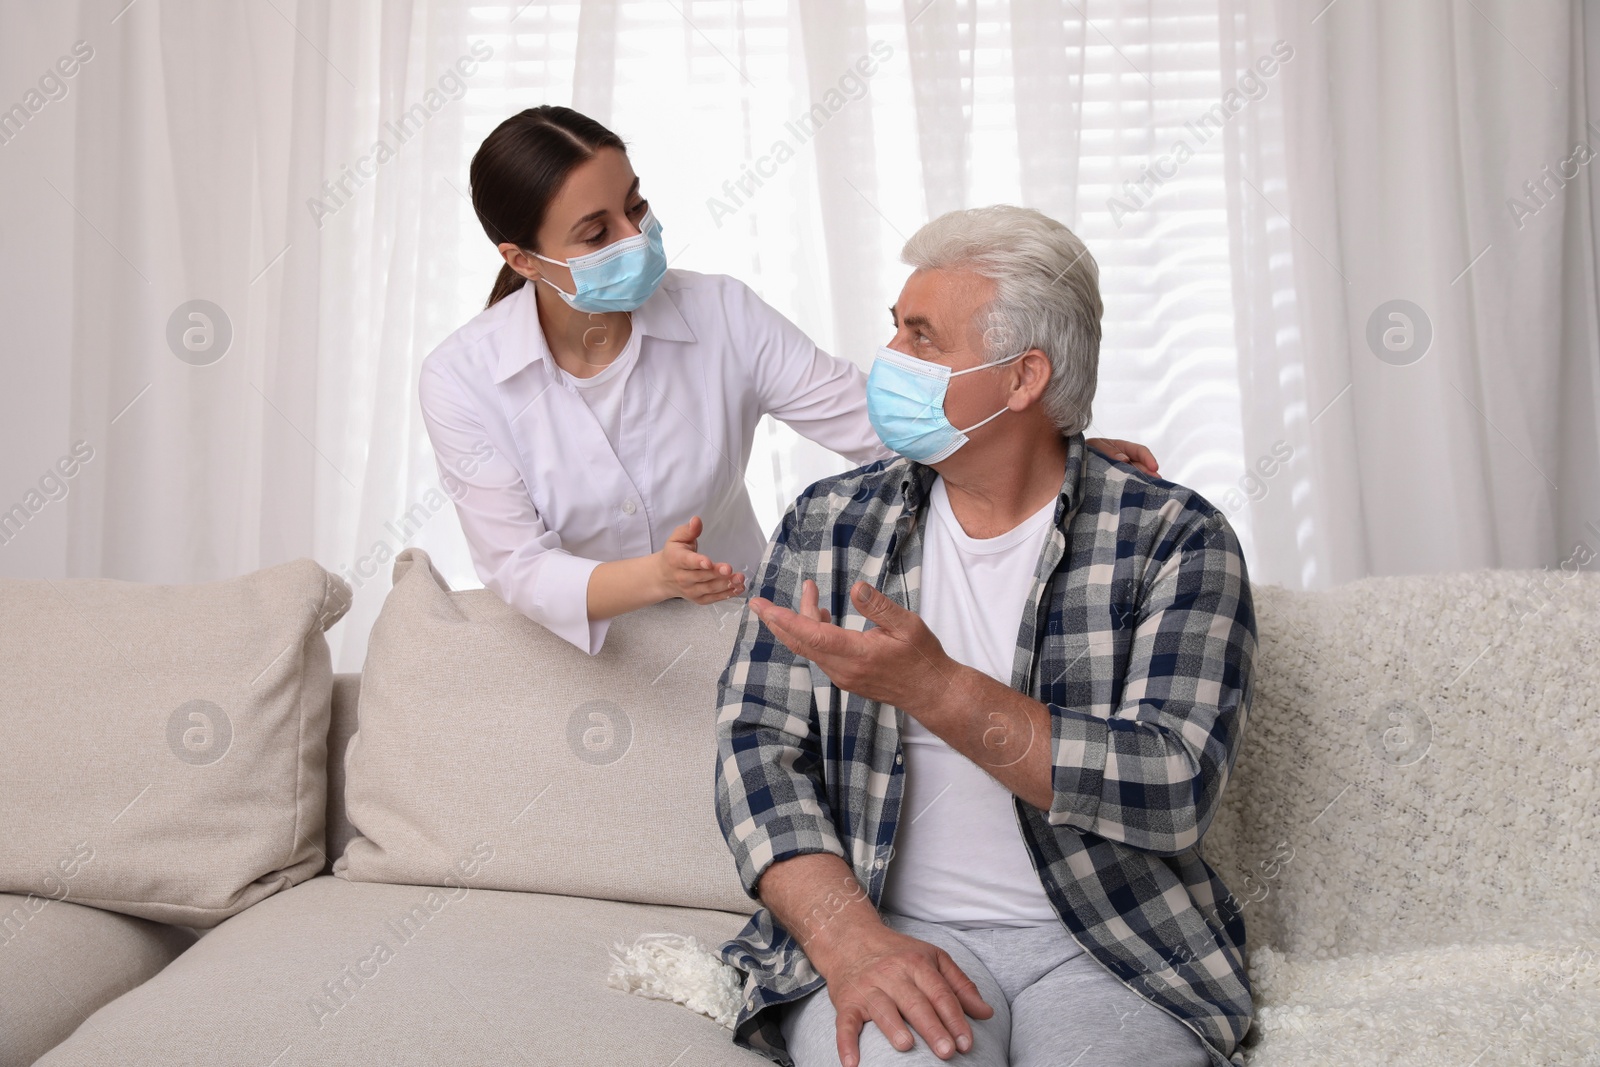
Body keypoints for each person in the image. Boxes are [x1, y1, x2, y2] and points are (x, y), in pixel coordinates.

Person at [713, 205, 1256, 1067]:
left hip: (1115, 945)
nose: (890, 358)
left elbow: (1174, 784)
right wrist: (849, 940)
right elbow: (756, 753)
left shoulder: (1175, 539)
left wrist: (939, 689)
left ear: (1022, 377)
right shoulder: (830, 521)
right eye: (894, 328)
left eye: (923, 338)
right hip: (889, 930)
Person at [417, 106, 1159, 654]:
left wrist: (1050, 446)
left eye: (635, 205)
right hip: (582, 661)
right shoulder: (462, 378)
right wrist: (658, 577)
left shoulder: (720, 311)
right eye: (596, 232)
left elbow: (874, 427)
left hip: (733, 635)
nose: (635, 237)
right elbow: (518, 565)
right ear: (522, 260)